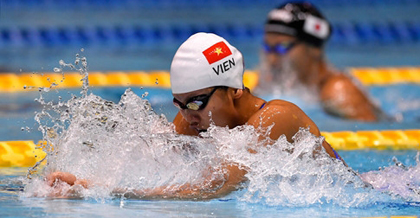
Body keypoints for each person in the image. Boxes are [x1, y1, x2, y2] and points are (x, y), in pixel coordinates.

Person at [46, 32, 346, 199]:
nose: (187, 116)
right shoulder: (193, 119)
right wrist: (84, 180)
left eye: (197, 102)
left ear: (235, 90)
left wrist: (99, 191)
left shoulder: (278, 117)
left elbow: (215, 187)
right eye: (179, 103)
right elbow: (155, 168)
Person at [255, 1, 384, 122]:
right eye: (267, 47)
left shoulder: (338, 90)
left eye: (283, 47)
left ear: (314, 48)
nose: (272, 58)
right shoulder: (272, 81)